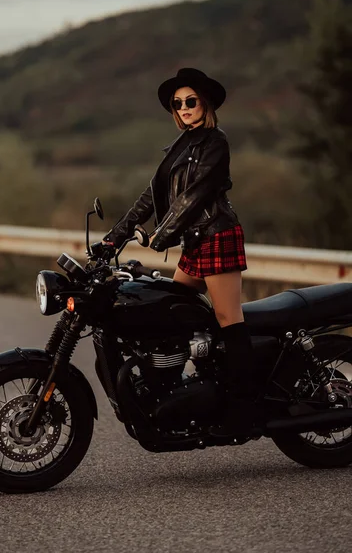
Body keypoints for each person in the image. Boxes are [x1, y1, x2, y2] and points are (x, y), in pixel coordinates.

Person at [102, 67, 262, 435]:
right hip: (194, 242)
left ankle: (244, 407)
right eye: (178, 103)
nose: (185, 107)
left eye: (191, 101)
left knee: (227, 317)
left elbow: (193, 199)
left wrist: (158, 238)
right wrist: (115, 236)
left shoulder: (214, 142)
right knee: (176, 311)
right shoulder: (179, 145)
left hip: (216, 235)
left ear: (204, 103)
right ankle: (188, 387)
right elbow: (151, 195)